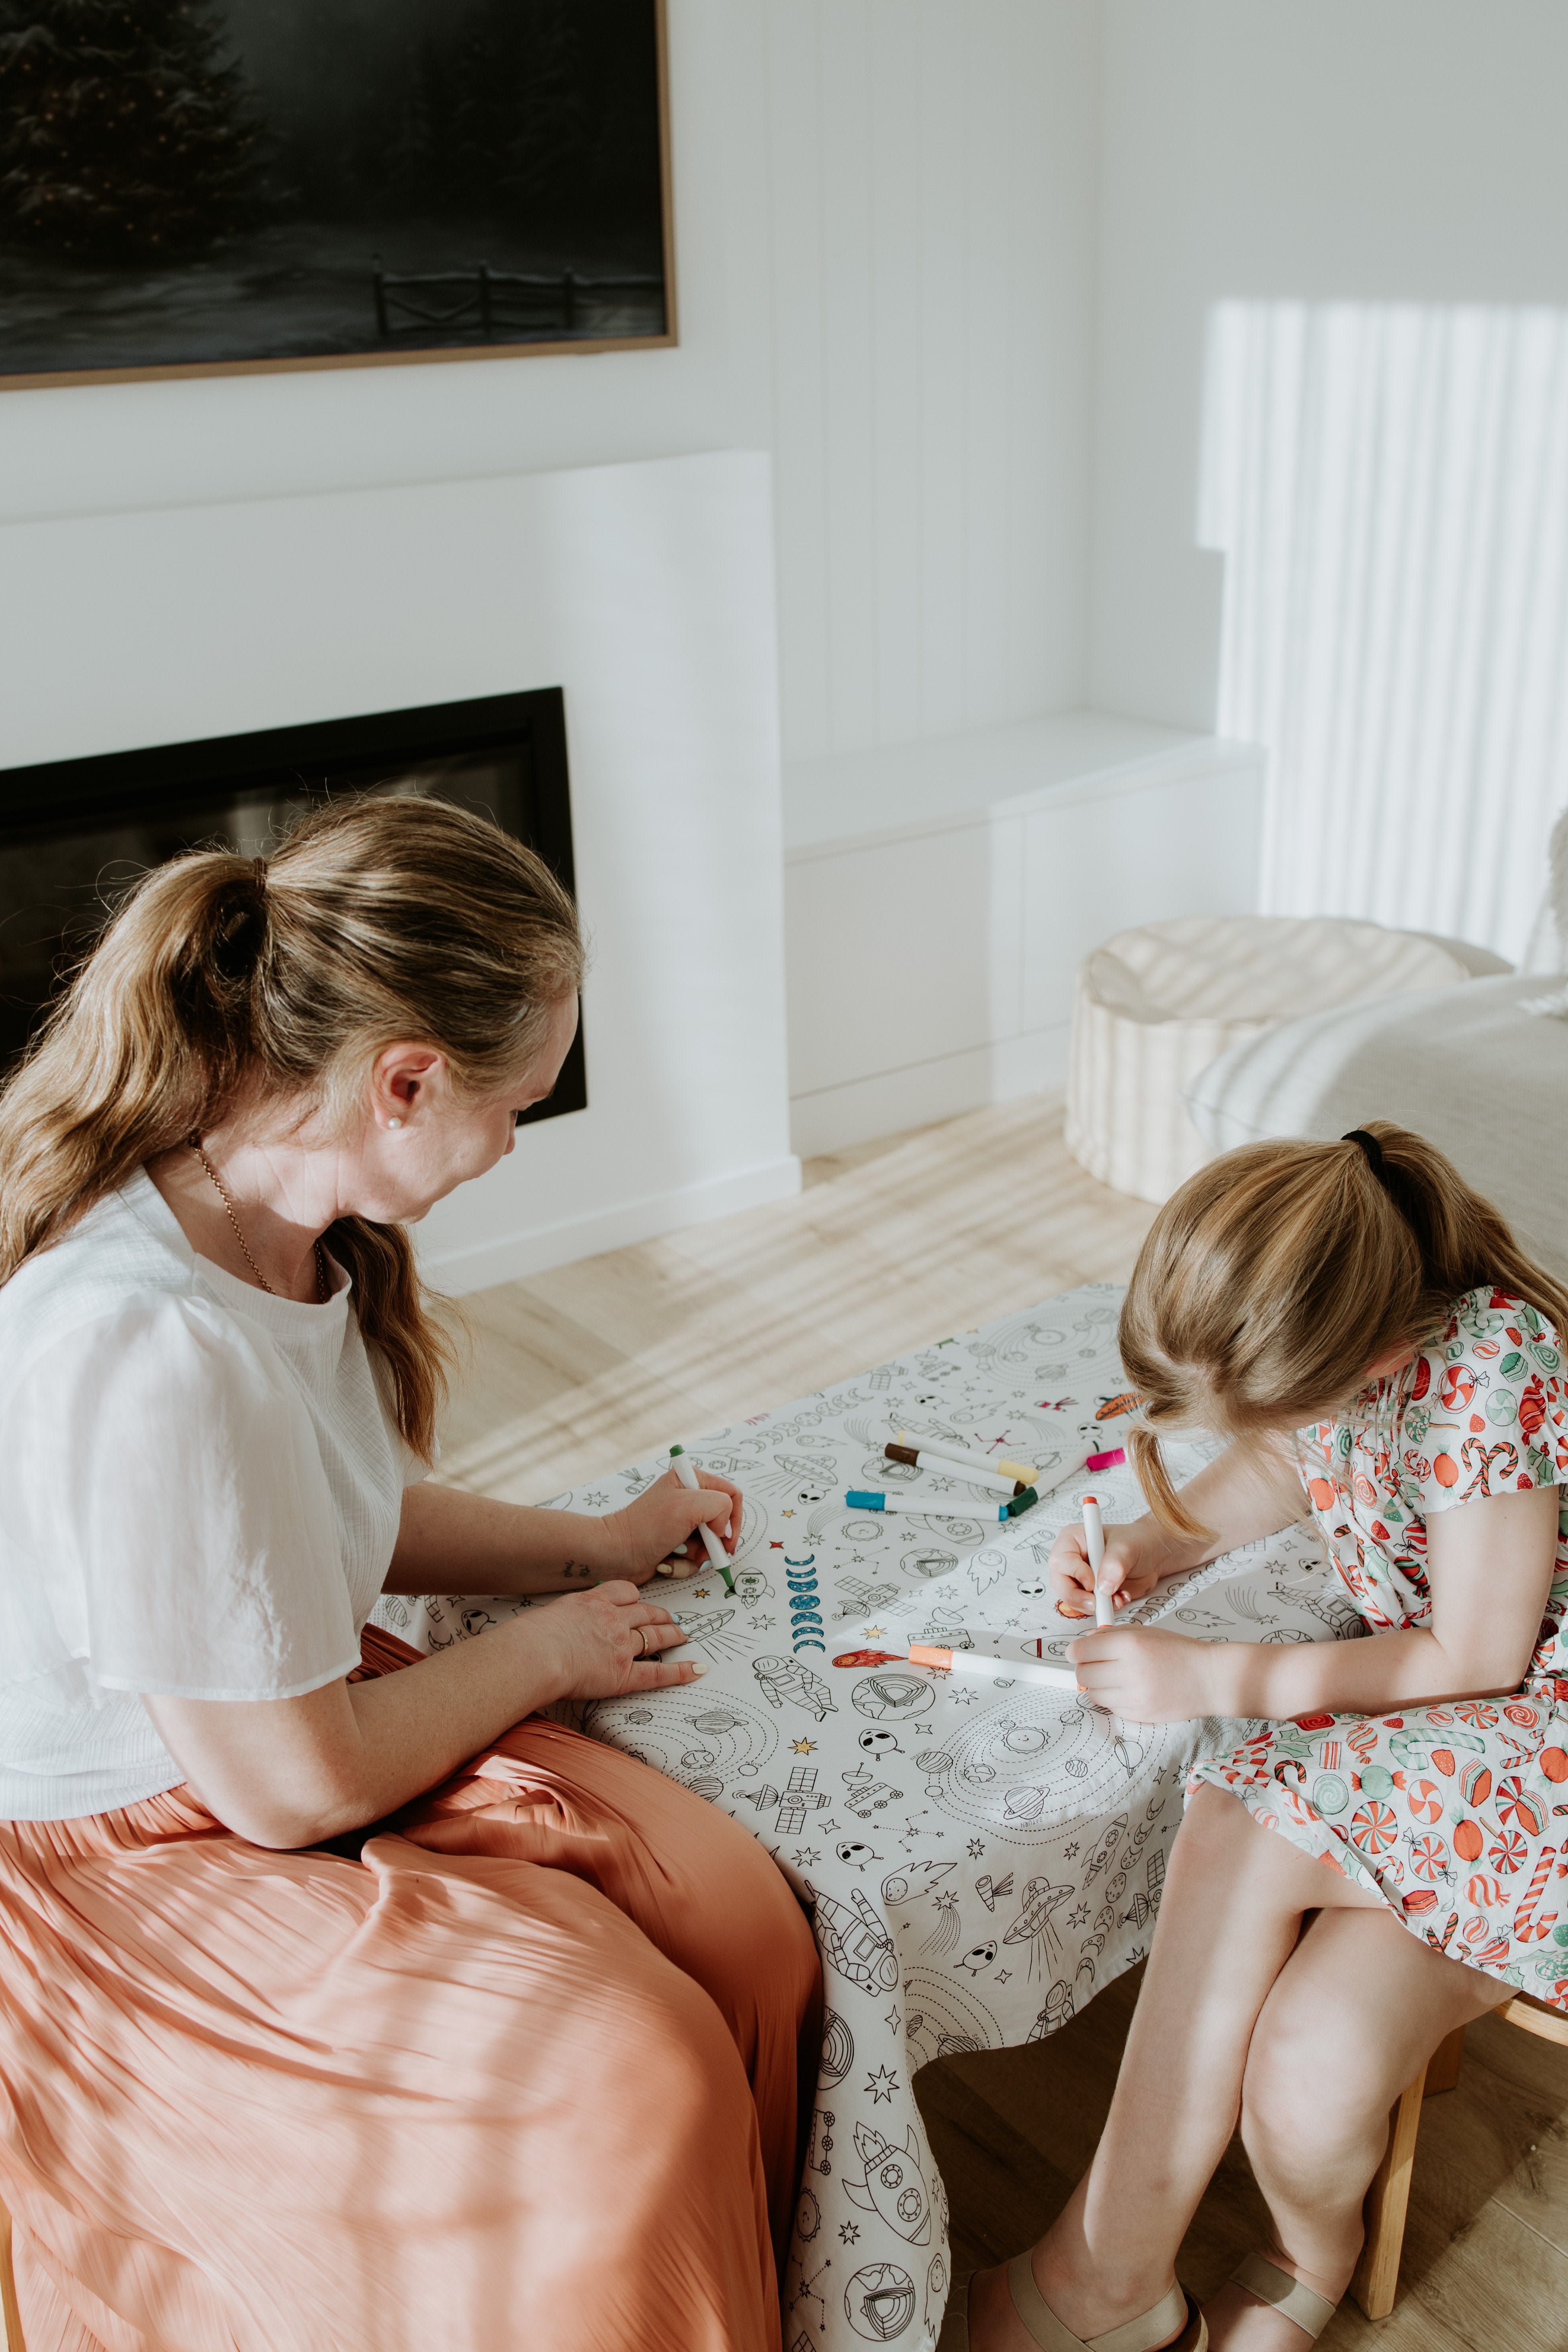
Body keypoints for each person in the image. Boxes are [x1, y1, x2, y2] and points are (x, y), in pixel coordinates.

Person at [0, 796, 821, 2352]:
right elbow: (292, 1790)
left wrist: (600, 1538)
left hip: (270, 1720)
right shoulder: (152, 1350)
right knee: (631, 2074)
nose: (511, 1143)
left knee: (747, 1926)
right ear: (406, 1079)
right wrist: (552, 1646)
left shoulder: (286, 1224)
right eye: (514, 1106)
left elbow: (329, 1519)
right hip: (143, 1840)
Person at [961, 1122, 1568, 2352]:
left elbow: (1474, 1658)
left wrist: (1211, 1676)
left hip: (1531, 1746)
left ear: (1374, 1352)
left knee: (1243, 1808)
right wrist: (1156, 1538)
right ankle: (1304, 2259)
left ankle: (1101, 2281)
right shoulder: (1365, 1337)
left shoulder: (1494, 1358)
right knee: (1309, 2070)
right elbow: (1291, 1460)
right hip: (1454, 1756)